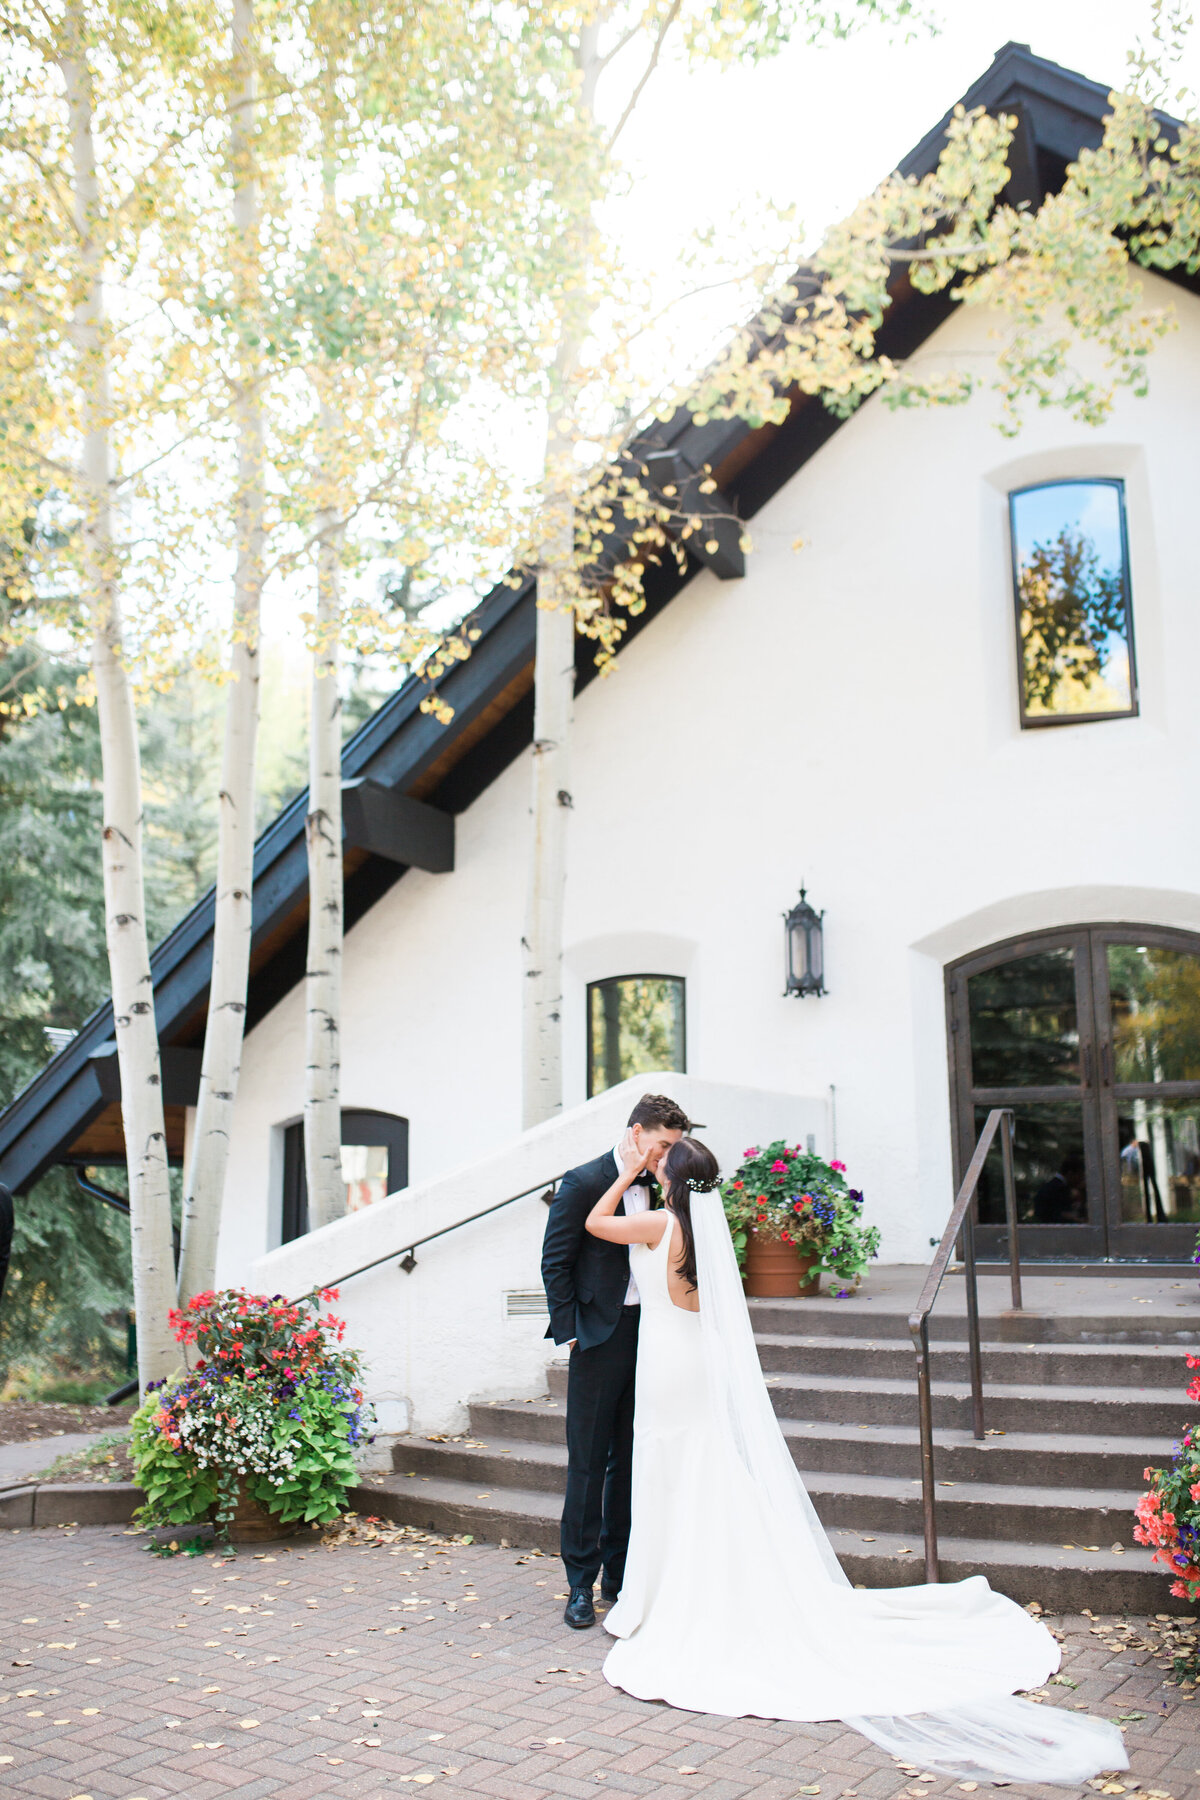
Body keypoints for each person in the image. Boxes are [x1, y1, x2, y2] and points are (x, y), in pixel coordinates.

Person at [581, 1132, 1127, 1785]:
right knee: (708, 1473)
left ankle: (662, 1598)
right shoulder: (709, 1227)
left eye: (665, 1161)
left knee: (672, 1477)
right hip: (698, 1367)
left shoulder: (657, 1220)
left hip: (665, 1372)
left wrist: (629, 1172)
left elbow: (593, 1222)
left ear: (674, 1178)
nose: (658, 1163)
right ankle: (685, 1591)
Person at [540, 1092, 689, 1629]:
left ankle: (620, 1575)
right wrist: (572, 1334)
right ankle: (579, 1583)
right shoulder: (583, 1182)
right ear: (635, 1133)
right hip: (597, 1337)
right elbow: (554, 1263)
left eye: (673, 1146)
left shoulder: (667, 1187)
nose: (666, 1155)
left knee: (629, 1459)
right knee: (587, 1461)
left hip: (651, 1335)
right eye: (662, 1144)